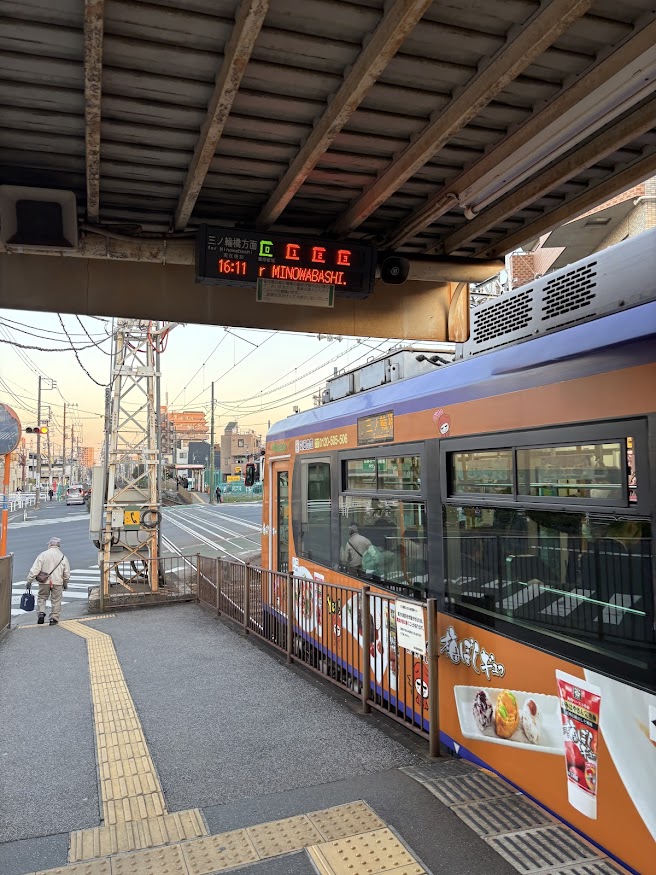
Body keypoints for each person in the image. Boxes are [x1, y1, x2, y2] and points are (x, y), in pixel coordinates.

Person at [26, 536, 71, 626]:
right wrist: (65, 583)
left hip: (44, 582)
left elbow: (35, 569)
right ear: (59, 546)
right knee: (56, 600)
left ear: (50, 544)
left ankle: (41, 613)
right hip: (57, 582)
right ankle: (54, 618)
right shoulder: (63, 557)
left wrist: (29, 580)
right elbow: (66, 573)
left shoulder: (43, 555)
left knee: (42, 597)